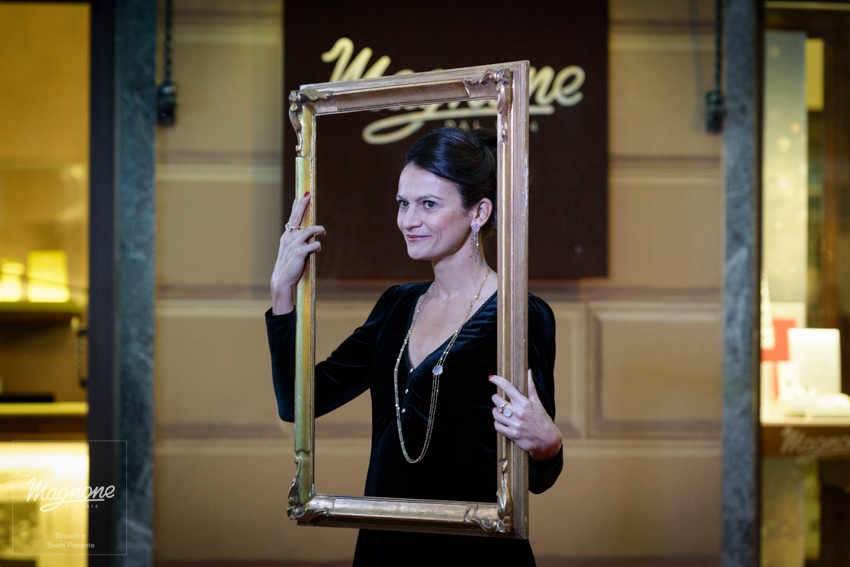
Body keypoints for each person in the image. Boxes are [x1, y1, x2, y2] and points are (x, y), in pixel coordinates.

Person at [266, 126, 563, 566]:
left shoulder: (520, 315)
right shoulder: (396, 305)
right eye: (403, 203)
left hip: (475, 552)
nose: (408, 220)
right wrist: (281, 292)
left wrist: (548, 444)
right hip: (385, 547)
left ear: (479, 212)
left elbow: (537, 476)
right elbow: (298, 402)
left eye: (429, 204)